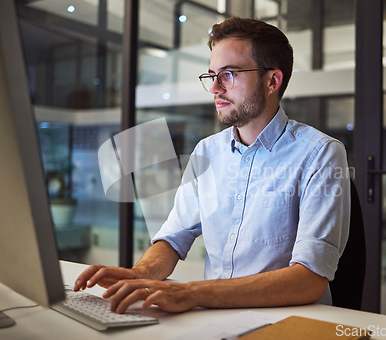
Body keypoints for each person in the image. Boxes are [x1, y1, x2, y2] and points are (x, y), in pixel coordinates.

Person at [74, 17, 350, 314]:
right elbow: (172, 238)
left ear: (273, 81)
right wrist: (140, 273)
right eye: (212, 75)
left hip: (285, 323)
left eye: (229, 74)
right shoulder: (207, 151)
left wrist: (191, 292)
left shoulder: (320, 154)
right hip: (215, 320)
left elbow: (308, 280)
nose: (215, 88)